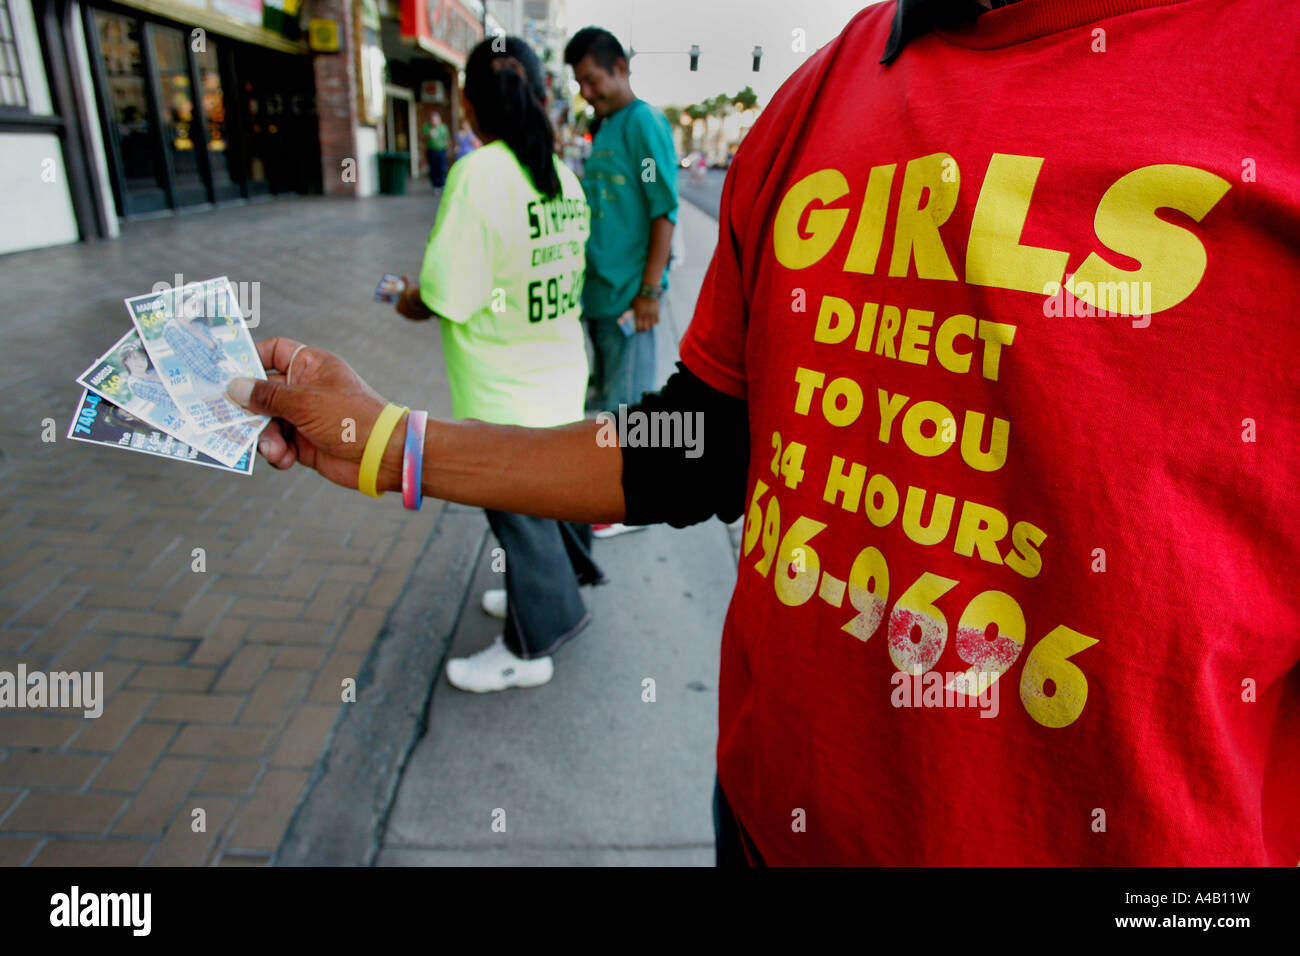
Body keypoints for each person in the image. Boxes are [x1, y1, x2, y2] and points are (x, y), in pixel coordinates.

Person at [229, 0, 1300, 866]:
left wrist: (643, 286)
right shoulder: (825, 89)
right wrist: (383, 442)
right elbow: (695, 443)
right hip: (763, 821)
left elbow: (652, 222)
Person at [388, 36, 603, 693]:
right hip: (561, 376)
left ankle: (527, 648)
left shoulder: (478, 174)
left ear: (469, 105)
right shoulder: (560, 175)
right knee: (553, 500)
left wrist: (406, 297)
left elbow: (446, 294)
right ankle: (532, 602)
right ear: (541, 97)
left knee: (519, 517)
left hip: (504, 393)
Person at [564, 26, 679, 538]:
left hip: (630, 299)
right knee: (612, 403)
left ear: (620, 69)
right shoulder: (605, 127)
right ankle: (614, 498)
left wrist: (650, 291)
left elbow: (663, 211)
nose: (586, 92)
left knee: (630, 410)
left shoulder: (643, 125)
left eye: (592, 79)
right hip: (598, 298)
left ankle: (630, 508)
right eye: (580, 84)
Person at [422, 112, 450, 190]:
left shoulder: (443, 127)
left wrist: (448, 149)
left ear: (439, 120)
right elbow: (422, 138)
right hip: (431, 150)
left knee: (441, 167)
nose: (433, 121)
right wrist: (428, 134)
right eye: (432, 119)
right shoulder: (426, 127)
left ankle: (442, 184)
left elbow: (447, 138)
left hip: (441, 150)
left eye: (435, 119)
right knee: (433, 168)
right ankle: (435, 185)